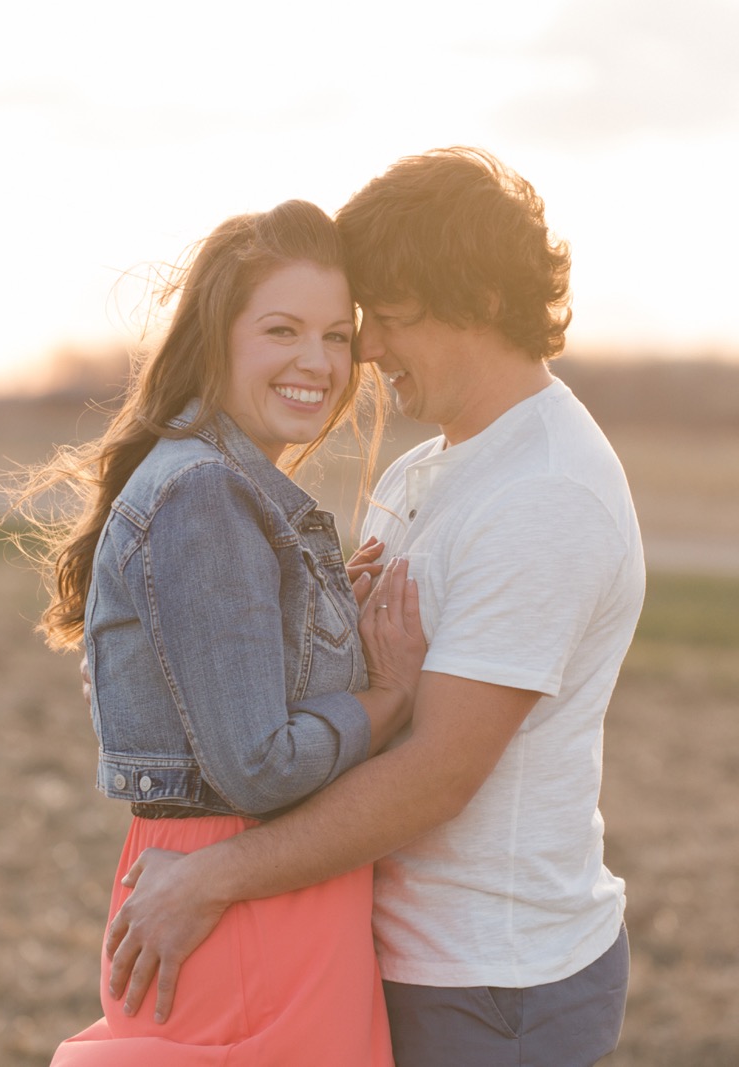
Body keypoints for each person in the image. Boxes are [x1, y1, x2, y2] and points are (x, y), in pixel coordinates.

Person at [105, 147, 644, 1067]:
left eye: (383, 321)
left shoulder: (546, 495)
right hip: (376, 946)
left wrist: (209, 879)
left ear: (473, 301)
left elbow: (438, 771)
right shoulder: (422, 467)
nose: (370, 350)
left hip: (486, 984)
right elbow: (339, 680)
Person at [15, 199, 428, 1064]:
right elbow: (259, 764)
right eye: (282, 329)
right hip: (243, 894)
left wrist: (315, 621)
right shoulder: (207, 493)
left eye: (337, 336)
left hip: (242, 879)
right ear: (218, 336)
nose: (316, 362)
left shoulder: (214, 483)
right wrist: (382, 700)